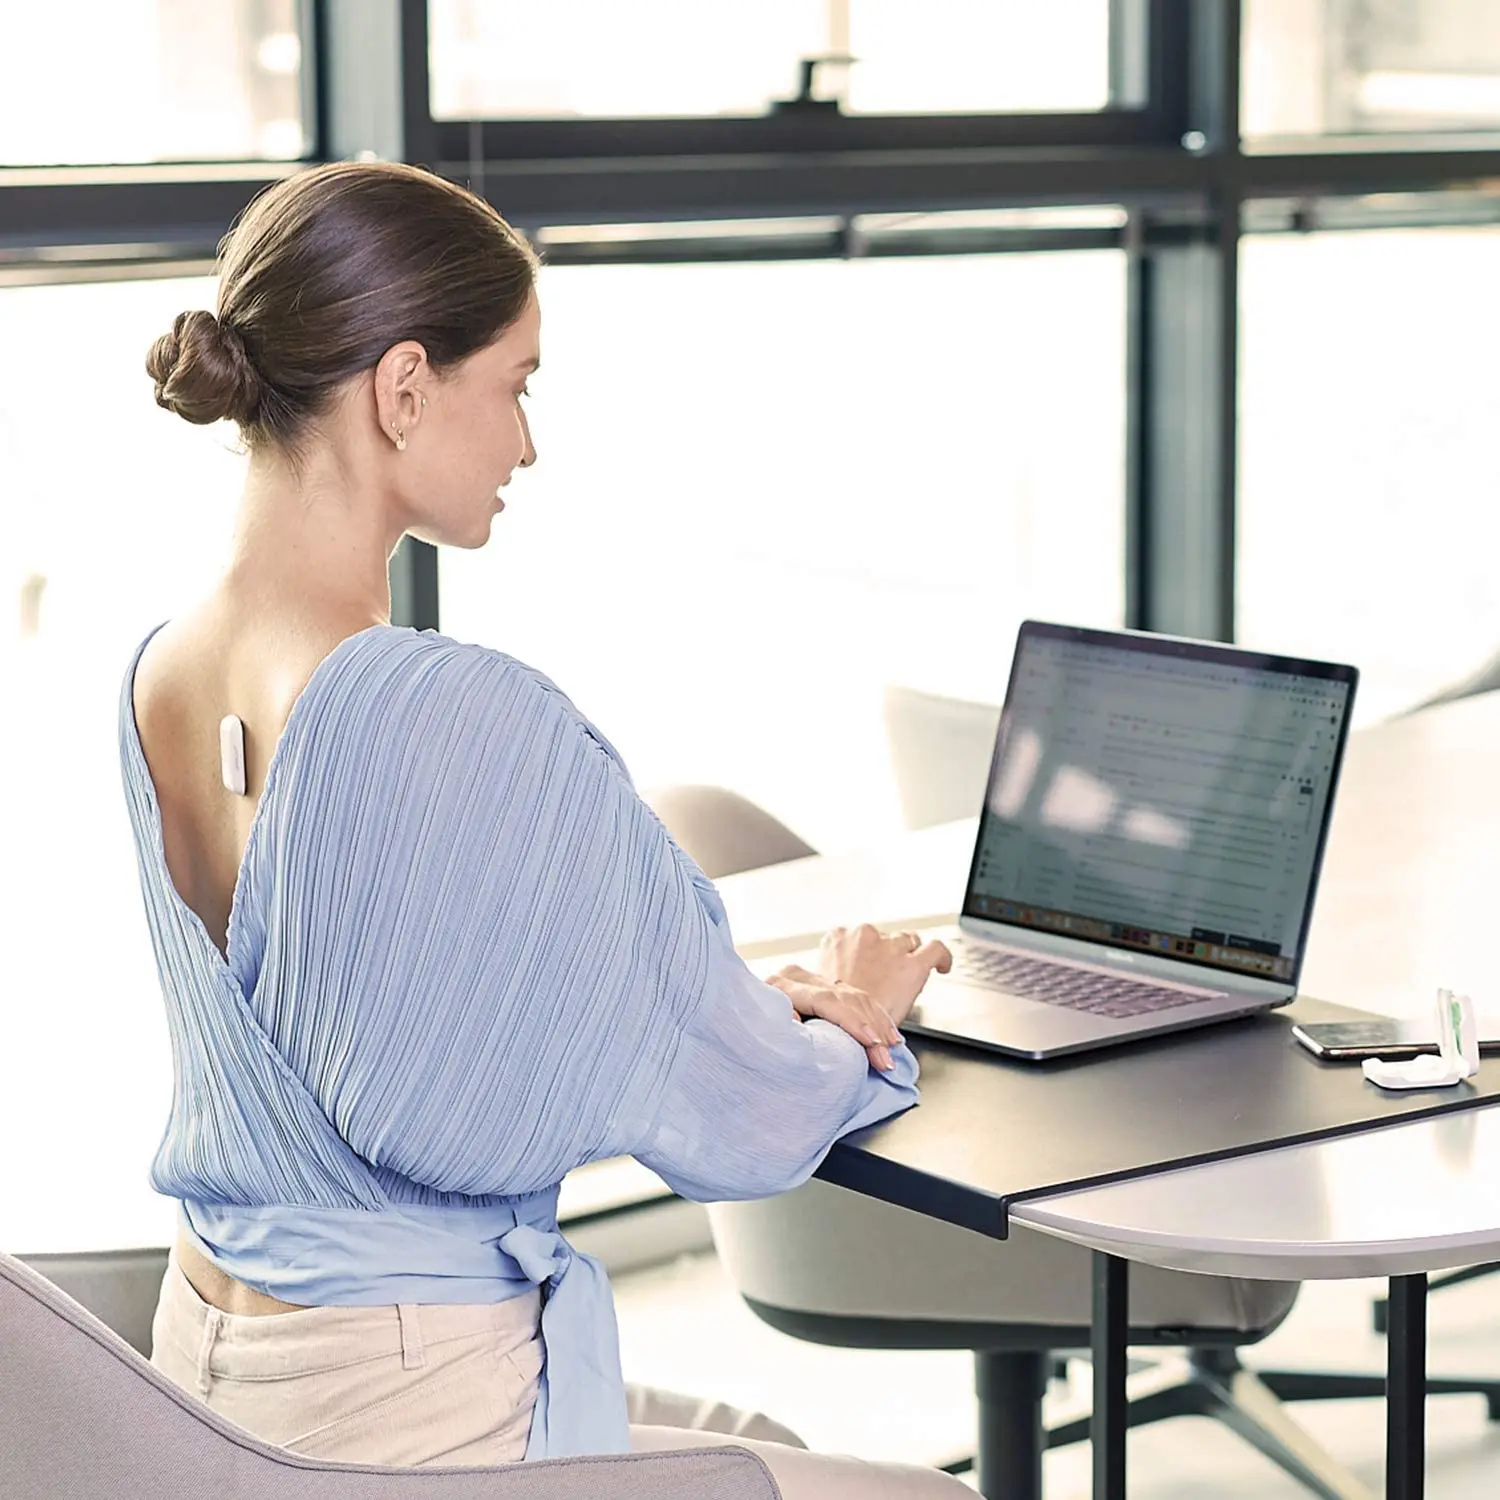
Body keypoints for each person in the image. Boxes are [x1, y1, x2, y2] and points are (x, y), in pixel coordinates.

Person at [121, 160, 965, 1498]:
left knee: (771, 1449)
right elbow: (743, 1118)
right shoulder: (437, 706)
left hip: (201, 1379)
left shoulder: (158, 674)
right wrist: (849, 1020)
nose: (526, 444)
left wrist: (717, 1004)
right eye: (516, 385)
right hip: (406, 1408)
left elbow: (384, 1026)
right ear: (404, 388)